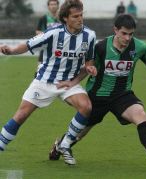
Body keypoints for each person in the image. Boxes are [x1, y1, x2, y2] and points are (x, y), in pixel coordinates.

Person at [49, 14, 146, 167]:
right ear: (115, 30)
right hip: (97, 96)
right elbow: (87, 68)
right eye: (124, 33)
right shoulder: (100, 47)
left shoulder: (140, 47)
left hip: (122, 95)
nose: (127, 38)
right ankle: (60, 145)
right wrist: (72, 82)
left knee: (140, 114)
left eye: (131, 34)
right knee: (80, 133)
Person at [0, 0, 96, 166]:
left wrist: (90, 69)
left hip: (68, 83)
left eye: (81, 15)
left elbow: (89, 62)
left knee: (86, 107)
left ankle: (65, 144)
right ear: (65, 18)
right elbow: (30, 44)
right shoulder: (53, 32)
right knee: (21, 115)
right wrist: (12, 50)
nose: (80, 19)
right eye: (75, 16)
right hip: (44, 81)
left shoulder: (90, 36)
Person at [35, 0, 60, 77]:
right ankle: (36, 84)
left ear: (58, 6)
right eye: (51, 4)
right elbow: (37, 31)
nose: (53, 6)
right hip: (46, 46)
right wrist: (46, 36)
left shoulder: (63, 18)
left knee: (59, 66)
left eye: (55, 4)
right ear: (48, 6)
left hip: (59, 46)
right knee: (40, 67)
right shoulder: (44, 18)